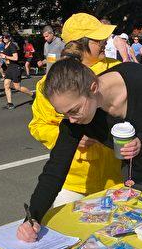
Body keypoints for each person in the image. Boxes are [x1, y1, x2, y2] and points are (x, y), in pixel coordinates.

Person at [17, 58, 142, 241]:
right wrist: (33, 216)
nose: (72, 119)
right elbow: (55, 168)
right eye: (64, 113)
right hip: (140, 163)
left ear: (93, 87)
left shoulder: (139, 79)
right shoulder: (75, 121)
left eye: (74, 110)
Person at [29, 13, 123, 206]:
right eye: (98, 39)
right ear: (81, 44)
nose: (104, 42)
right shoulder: (51, 83)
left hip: (114, 177)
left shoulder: (118, 70)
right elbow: (39, 125)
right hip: (73, 182)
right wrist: (69, 136)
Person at [1, 34, 33, 110]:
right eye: (3, 37)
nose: (4, 38)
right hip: (10, 68)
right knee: (6, 85)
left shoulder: (12, 46)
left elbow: (15, 58)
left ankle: (32, 94)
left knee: (17, 87)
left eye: (6, 37)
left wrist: (5, 57)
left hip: (15, 68)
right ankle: (10, 103)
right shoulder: (5, 46)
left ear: (9, 38)